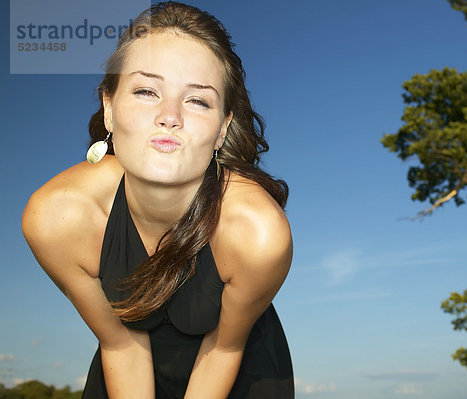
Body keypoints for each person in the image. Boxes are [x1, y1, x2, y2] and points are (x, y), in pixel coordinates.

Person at [21, 2, 294, 398]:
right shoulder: (57, 217)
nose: (170, 116)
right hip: (122, 363)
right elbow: (120, 344)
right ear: (109, 108)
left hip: (236, 368)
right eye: (147, 91)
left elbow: (224, 348)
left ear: (222, 130)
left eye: (197, 100)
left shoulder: (257, 233)